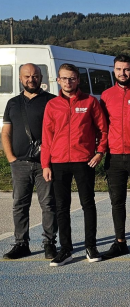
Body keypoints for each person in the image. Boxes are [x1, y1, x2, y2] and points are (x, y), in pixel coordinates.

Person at [42, 63, 108, 266]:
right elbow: (47, 136)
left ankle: (91, 246)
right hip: (59, 162)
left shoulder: (90, 102)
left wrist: (99, 153)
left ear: (78, 80)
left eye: (72, 78)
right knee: (62, 207)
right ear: (58, 80)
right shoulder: (52, 105)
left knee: (88, 204)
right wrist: (46, 164)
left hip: (84, 161)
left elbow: (103, 130)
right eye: (64, 78)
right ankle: (66, 250)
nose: (68, 82)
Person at [2, 63, 57, 260]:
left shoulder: (52, 101)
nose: (31, 79)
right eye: (26, 76)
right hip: (20, 164)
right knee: (19, 204)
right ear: (20, 78)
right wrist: (11, 159)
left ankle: (49, 243)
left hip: (45, 164)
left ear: (41, 78)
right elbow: (6, 132)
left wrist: (50, 160)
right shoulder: (13, 103)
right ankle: (21, 244)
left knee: (48, 204)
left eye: (35, 76)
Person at [100, 54, 130, 259]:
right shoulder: (106, 95)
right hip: (115, 156)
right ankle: (120, 242)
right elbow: (101, 127)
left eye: (127, 69)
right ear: (114, 70)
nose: (122, 73)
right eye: (119, 69)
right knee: (117, 201)